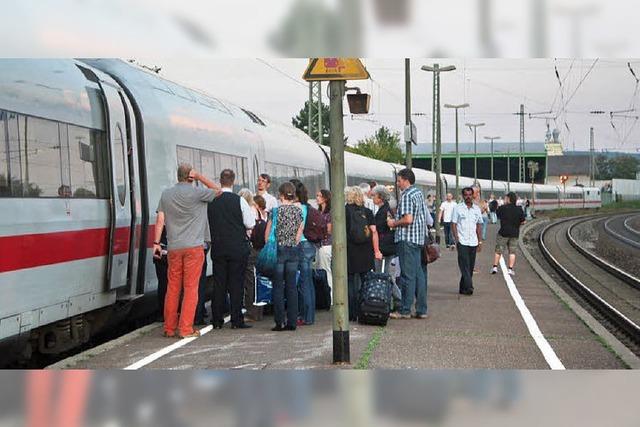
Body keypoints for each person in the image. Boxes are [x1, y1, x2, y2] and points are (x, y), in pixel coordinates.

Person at [154, 163, 220, 338]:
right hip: (194, 248)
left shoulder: (166, 194)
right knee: (191, 288)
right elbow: (218, 190)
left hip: (174, 248)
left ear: (177, 176)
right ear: (190, 176)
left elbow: (160, 218)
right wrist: (199, 177)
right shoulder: (198, 193)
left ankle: (169, 328)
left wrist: (156, 242)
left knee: (173, 288)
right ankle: (185, 329)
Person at [208, 169, 255, 330]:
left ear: (220, 181)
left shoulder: (211, 201)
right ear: (233, 181)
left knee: (219, 284)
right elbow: (250, 223)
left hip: (218, 247)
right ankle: (236, 320)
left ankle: (216, 320)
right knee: (236, 284)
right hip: (237, 248)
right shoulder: (239, 201)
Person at [387, 168, 428, 319]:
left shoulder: (407, 196)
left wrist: (393, 223)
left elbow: (408, 219)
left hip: (407, 239)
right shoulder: (418, 194)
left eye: (399, 181)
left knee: (407, 276)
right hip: (417, 240)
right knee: (419, 275)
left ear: (405, 180)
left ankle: (405, 309)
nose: (398, 184)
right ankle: (421, 309)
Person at [266, 182, 304, 331]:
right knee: (291, 286)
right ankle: (292, 322)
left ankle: (279, 322)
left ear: (281, 195)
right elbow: (299, 234)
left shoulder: (275, 212)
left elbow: (268, 233)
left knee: (278, 287)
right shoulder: (298, 212)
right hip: (293, 250)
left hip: (278, 250)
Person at [346, 186, 382, 321]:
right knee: (365, 282)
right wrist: (377, 250)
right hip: (365, 252)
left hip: (350, 252)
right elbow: (373, 232)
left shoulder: (344, 211)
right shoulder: (367, 212)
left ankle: (351, 313)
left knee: (350, 283)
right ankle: (365, 310)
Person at [290, 179, 317, 325]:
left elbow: (295, 230)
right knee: (308, 282)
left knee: (302, 283)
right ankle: (310, 315)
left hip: (300, 244)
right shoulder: (307, 207)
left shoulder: (295, 208)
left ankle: (304, 316)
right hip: (309, 245)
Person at [451, 187, 483, 296]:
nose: (468, 197)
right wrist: (457, 239)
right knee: (464, 265)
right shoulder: (458, 208)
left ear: (473, 195)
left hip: (473, 242)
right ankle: (469, 286)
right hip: (462, 241)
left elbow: (479, 225)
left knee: (470, 266)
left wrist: (480, 241)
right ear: (463, 196)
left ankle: (463, 288)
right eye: (466, 195)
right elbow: (454, 224)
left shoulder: (477, 209)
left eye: (470, 195)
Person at [238, 188, 263, 322]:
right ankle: (258, 310)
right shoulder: (257, 210)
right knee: (255, 279)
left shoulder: (248, 210)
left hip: (251, 248)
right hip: (259, 248)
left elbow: (248, 227)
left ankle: (251, 311)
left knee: (249, 280)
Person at [491, 192, 526, 276]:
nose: (504, 199)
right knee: (512, 252)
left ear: (508, 199)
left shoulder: (503, 208)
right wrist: (517, 224)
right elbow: (523, 221)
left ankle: (495, 267)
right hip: (514, 233)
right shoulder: (519, 209)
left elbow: (497, 215)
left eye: (505, 198)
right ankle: (510, 269)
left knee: (498, 250)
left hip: (503, 232)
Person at [372, 185, 396, 274]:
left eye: (374, 195)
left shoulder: (383, 211)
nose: (373, 198)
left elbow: (379, 227)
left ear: (380, 197)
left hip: (383, 245)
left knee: (380, 272)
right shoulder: (387, 209)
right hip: (389, 244)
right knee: (385, 272)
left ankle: (392, 288)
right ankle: (391, 287)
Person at [316, 189, 333, 291]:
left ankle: (330, 294)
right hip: (319, 244)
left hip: (326, 244)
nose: (317, 198)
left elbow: (329, 230)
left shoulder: (329, 213)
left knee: (326, 269)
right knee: (320, 269)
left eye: (319, 196)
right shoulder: (318, 212)